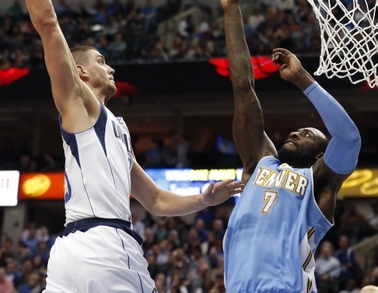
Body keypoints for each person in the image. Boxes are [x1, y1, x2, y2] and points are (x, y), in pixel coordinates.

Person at [24, 1, 245, 292]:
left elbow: (155, 201)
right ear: (80, 72)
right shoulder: (80, 104)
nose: (111, 68)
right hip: (106, 243)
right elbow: (49, 24)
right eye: (101, 61)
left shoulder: (116, 130)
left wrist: (203, 200)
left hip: (68, 253)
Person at [219, 0, 361, 292]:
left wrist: (301, 79)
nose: (296, 133)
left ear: (321, 154)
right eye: (297, 131)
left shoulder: (319, 182)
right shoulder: (260, 163)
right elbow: (243, 87)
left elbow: (348, 139)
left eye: (307, 134)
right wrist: (231, 10)